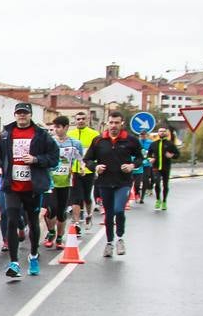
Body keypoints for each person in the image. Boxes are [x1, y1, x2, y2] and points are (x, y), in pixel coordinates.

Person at [0, 102, 59, 279]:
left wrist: (36, 159)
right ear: (15, 115)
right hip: (12, 186)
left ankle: (34, 255)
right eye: (19, 113)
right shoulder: (6, 134)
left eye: (25, 113)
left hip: (33, 187)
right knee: (12, 220)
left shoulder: (41, 134)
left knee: (32, 222)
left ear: (30, 115)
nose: (22, 116)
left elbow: (54, 158)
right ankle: (14, 262)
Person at [83, 110, 143, 257]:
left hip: (123, 182)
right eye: (111, 122)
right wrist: (95, 167)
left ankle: (120, 238)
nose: (113, 126)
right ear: (107, 123)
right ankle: (109, 243)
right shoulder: (99, 140)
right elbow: (87, 159)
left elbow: (140, 158)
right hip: (104, 182)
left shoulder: (130, 140)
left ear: (122, 123)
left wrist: (132, 166)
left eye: (117, 123)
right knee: (108, 214)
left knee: (118, 210)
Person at [44, 116, 84, 249]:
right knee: (51, 209)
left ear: (66, 127)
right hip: (51, 182)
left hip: (66, 182)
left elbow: (80, 159)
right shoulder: (49, 142)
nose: (56, 130)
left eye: (59, 127)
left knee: (61, 212)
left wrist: (82, 168)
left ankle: (60, 237)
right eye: (54, 127)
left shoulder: (75, 143)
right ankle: (51, 232)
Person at [67, 111, 100, 228]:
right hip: (75, 170)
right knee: (76, 197)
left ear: (87, 120)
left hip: (88, 170)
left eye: (83, 119)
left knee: (86, 196)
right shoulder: (70, 134)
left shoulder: (94, 134)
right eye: (78, 119)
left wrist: (96, 168)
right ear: (75, 120)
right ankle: (76, 222)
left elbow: (98, 153)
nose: (80, 121)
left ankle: (89, 214)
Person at [148, 125, 181, 210]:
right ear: (158, 133)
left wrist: (171, 155)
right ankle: (158, 200)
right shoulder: (153, 144)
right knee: (157, 183)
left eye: (164, 131)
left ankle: (164, 201)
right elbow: (148, 154)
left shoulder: (170, 144)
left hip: (166, 167)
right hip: (156, 167)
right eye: (160, 131)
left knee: (165, 185)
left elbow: (177, 154)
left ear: (166, 133)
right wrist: (150, 159)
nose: (162, 132)